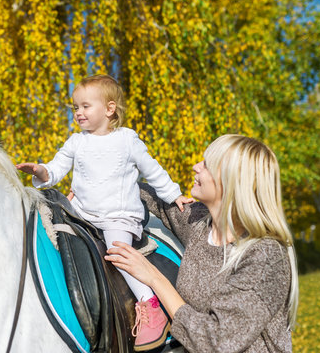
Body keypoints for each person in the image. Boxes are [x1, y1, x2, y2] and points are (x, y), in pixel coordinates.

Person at [16, 74, 193, 351]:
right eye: (75, 107)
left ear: (110, 109)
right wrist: (41, 171)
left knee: (118, 251)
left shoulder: (127, 140)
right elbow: (56, 168)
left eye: (86, 106)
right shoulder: (77, 142)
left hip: (118, 216)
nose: (78, 113)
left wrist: (173, 195)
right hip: (84, 212)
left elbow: (153, 170)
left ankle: (150, 305)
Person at [105, 134, 299, 352]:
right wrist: (96, 188)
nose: (196, 167)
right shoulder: (200, 224)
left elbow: (217, 342)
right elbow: (155, 198)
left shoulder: (265, 257)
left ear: (232, 181)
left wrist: (154, 278)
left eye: (207, 165)